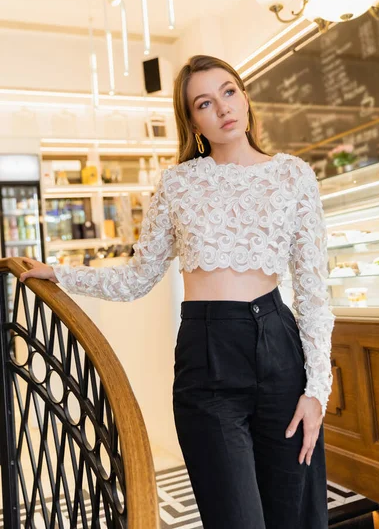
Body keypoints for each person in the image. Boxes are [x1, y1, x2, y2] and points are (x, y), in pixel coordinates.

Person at [20, 54, 335, 529]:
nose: (224, 108)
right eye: (205, 103)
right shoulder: (178, 184)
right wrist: (61, 275)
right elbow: (137, 277)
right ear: (192, 121)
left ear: (245, 95)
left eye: (229, 91)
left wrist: (316, 392)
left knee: (295, 514)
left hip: (279, 351)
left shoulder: (293, 175)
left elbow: (313, 290)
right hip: (207, 356)